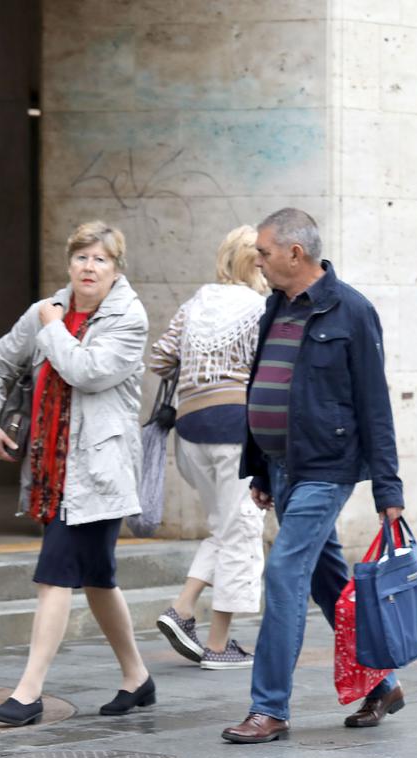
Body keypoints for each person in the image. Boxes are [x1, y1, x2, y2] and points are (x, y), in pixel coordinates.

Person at [220, 208, 405, 744]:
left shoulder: (352, 311)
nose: (258, 259)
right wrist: (258, 467)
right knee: (327, 579)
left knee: (282, 574)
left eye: (264, 251)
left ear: (295, 254)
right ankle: (382, 683)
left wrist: (388, 489)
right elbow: (264, 387)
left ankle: (269, 707)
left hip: (327, 469)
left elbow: (376, 404)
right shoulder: (273, 309)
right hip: (281, 469)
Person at [0, 221, 153, 725]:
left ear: (116, 268)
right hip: (53, 471)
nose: (88, 268)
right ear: (69, 263)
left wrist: (51, 328)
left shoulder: (128, 318)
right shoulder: (48, 312)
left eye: (100, 259)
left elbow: (87, 371)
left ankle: (28, 693)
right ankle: (137, 678)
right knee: (97, 579)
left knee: (54, 573)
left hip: (98, 474)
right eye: (81, 258)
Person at [149, 226, 269, 670]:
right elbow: (266, 367)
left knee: (223, 526)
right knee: (242, 529)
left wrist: (199, 368)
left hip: (191, 427)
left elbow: (160, 359)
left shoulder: (195, 303)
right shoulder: (260, 308)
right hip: (235, 426)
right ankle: (219, 644)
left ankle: (182, 608)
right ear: (256, 261)